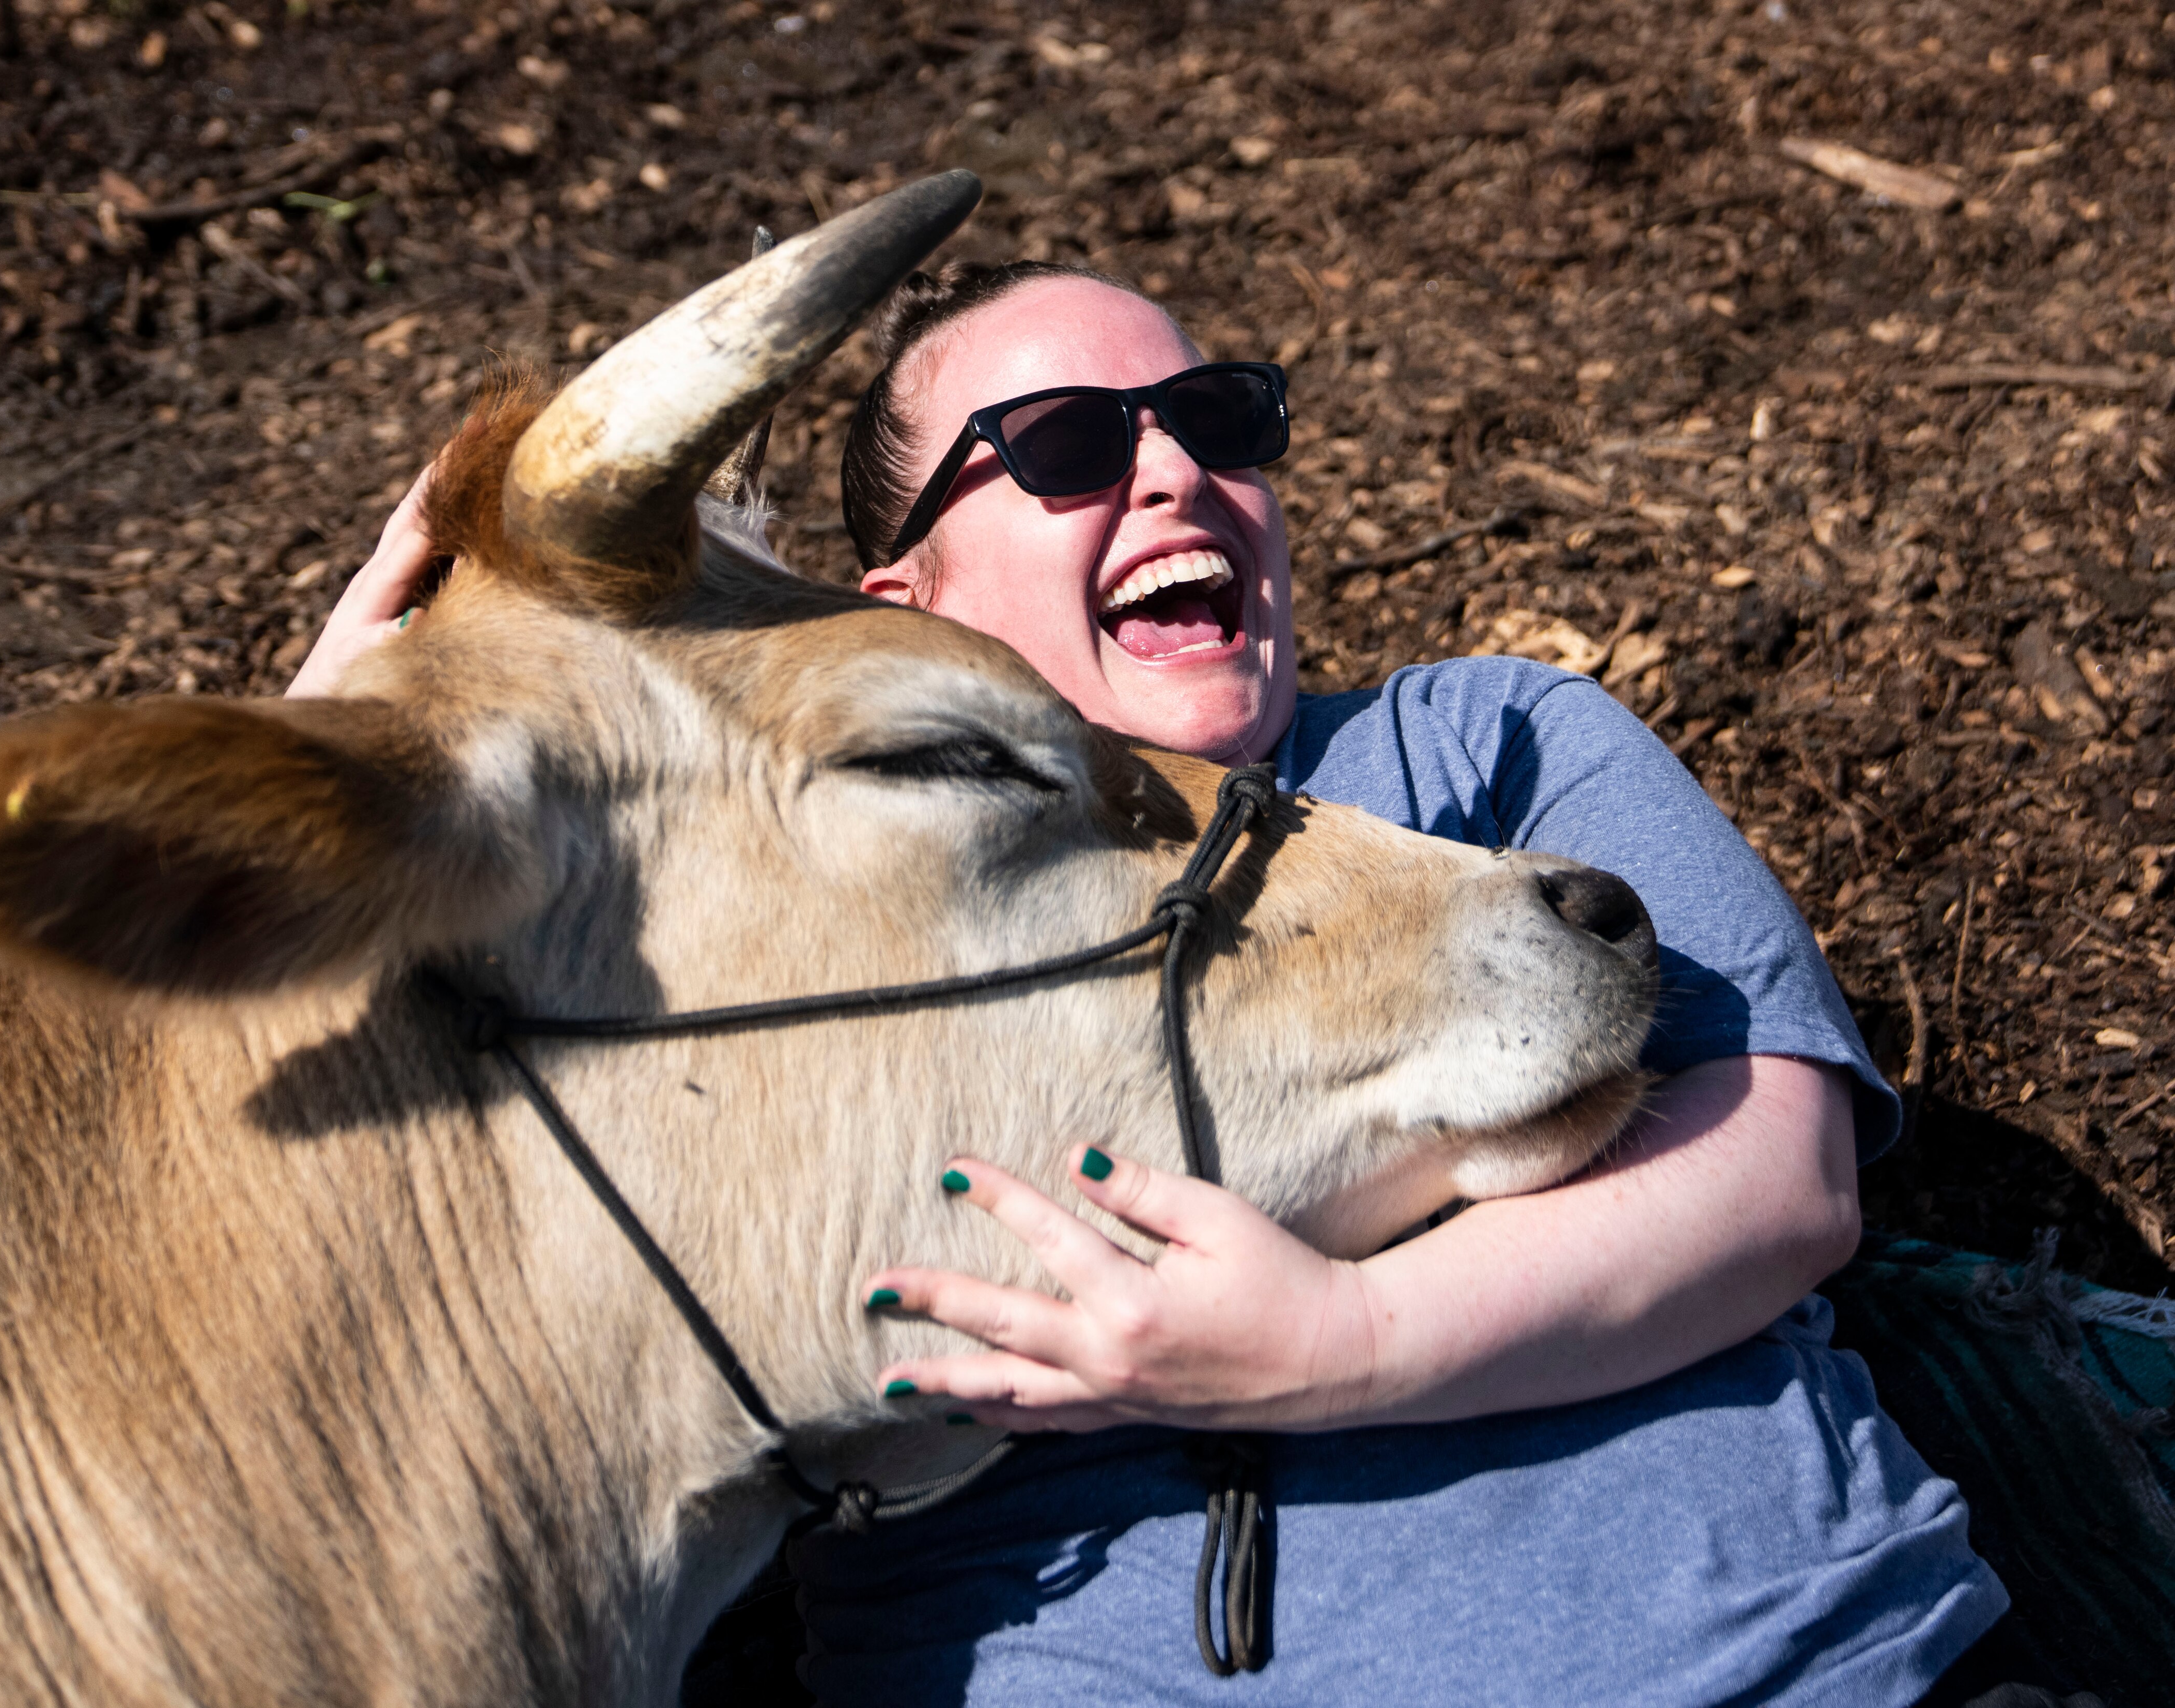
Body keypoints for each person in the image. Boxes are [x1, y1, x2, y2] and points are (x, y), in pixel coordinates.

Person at [293, 264, 2033, 1706]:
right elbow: (413, 1269)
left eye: (1218, 422)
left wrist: (1343, 1346)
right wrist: (345, 773)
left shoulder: (1487, 746)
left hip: (1784, 1674)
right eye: (1061, 445)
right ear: (902, 604)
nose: (1179, 473)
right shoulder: (796, 912)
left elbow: (1781, 1176)